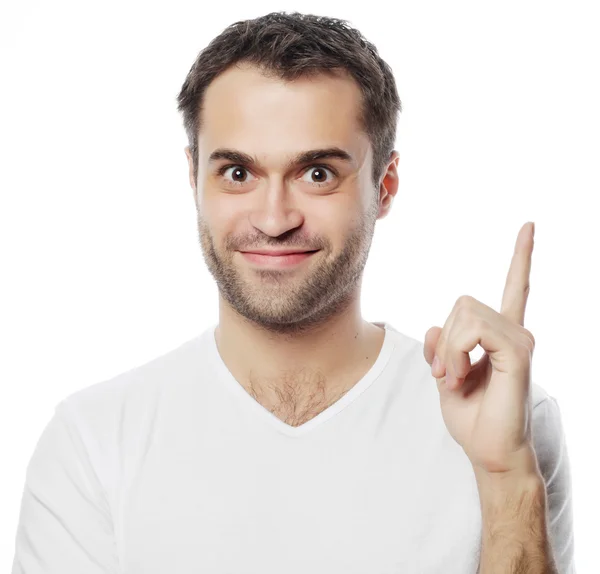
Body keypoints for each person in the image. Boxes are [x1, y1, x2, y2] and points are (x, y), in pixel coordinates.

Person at [11, 11, 575, 574]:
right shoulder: (94, 442)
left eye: (318, 174)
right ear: (193, 179)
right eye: (237, 173)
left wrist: (505, 478)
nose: (274, 218)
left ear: (385, 186)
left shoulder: (509, 419)